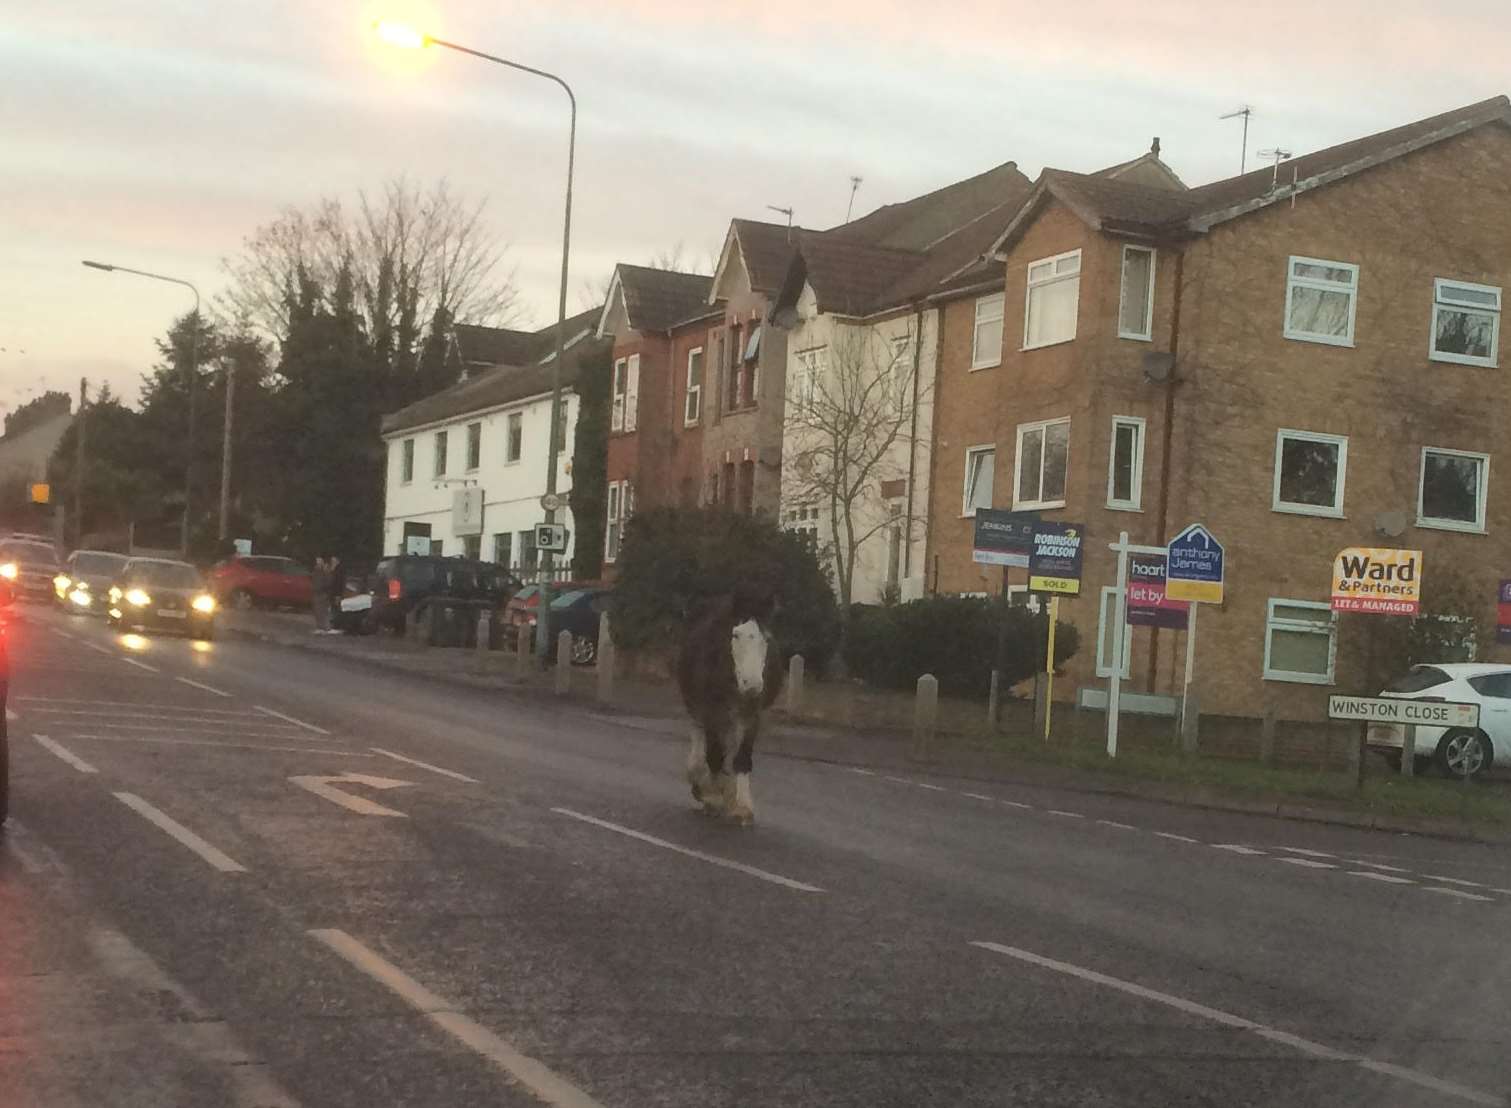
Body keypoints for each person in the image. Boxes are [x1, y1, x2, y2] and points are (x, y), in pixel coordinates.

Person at [311, 555, 332, 634]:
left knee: (322, 611)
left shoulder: (324, 571)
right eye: (317, 562)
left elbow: (328, 582)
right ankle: (320, 627)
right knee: (317, 610)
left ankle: (324, 627)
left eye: (319, 562)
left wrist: (323, 589)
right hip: (316, 593)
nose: (318, 563)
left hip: (322, 593)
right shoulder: (316, 571)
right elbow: (314, 581)